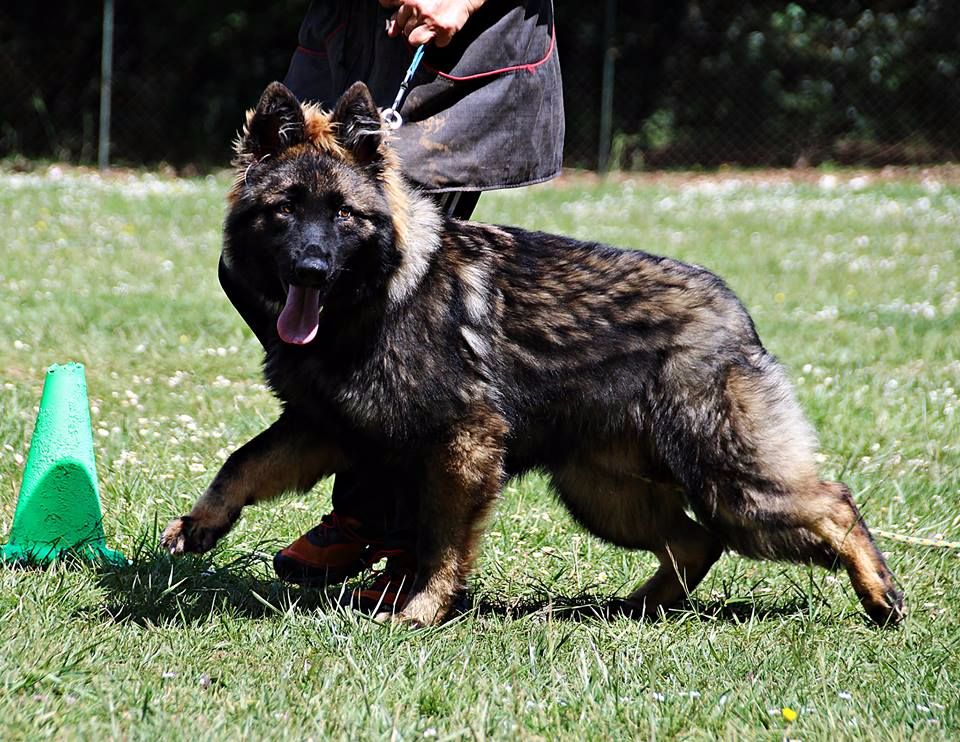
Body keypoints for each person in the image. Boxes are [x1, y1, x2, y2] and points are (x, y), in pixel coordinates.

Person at [219, 0, 563, 611]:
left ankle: (408, 540)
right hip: (347, 30)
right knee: (252, 266)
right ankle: (363, 486)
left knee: (397, 275)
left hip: (456, 47)